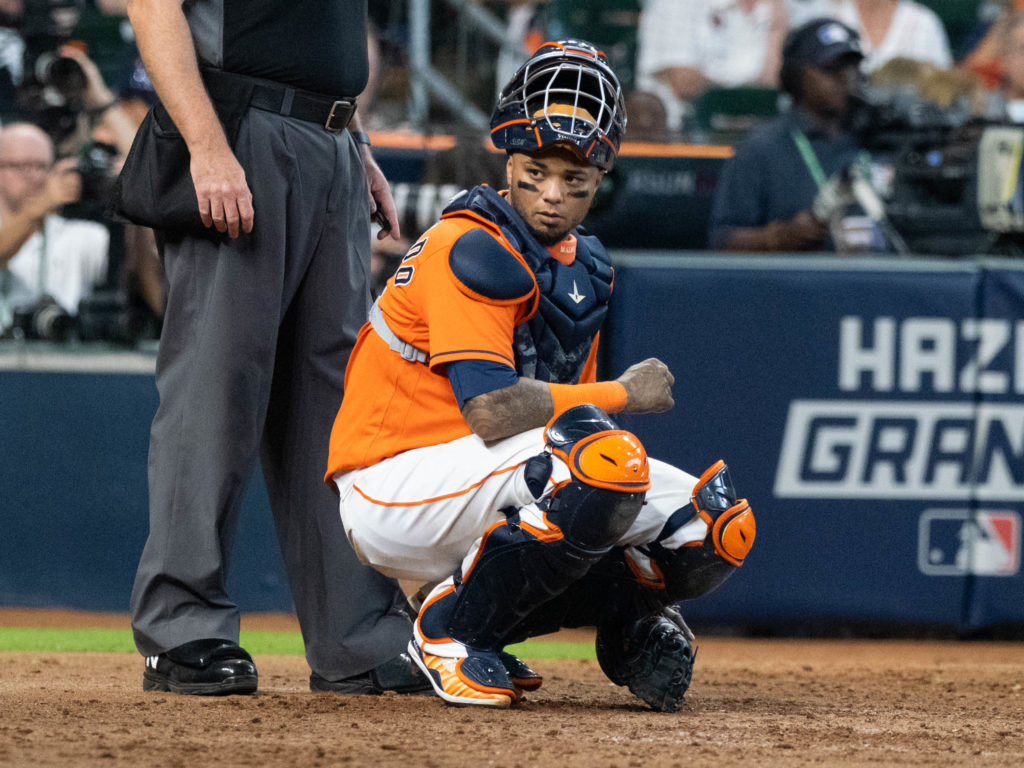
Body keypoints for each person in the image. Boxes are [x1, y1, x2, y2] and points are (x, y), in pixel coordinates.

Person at [323, 40, 757, 711]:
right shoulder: (470, 245)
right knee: (599, 459)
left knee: (713, 525)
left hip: (486, 478)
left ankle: (623, 627)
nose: (553, 195)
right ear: (509, 159)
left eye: (574, 181)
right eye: (536, 172)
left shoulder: (582, 265)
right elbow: (492, 410)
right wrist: (621, 393)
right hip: (396, 478)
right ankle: (450, 632)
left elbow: (561, 426)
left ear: (600, 178)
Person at [125, 0, 429, 697]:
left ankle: (357, 640)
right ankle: (182, 631)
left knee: (334, 407)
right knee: (216, 391)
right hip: (239, 132)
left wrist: (357, 144)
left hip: (329, 139)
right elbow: (153, 8)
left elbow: (316, 39)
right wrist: (204, 146)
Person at [708, 17, 890, 253]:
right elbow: (722, 242)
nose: (846, 78)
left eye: (853, 66)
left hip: (883, 282)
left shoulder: (882, 138)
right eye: (831, 69)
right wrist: (778, 238)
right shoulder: (760, 148)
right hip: (800, 286)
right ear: (795, 76)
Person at [0, 121, 108, 336]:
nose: (32, 176)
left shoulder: (82, 235)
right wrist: (37, 209)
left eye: (41, 166)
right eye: (21, 166)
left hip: (66, 356)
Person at [634, 0, 788, 131]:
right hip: (679, 142)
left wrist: (777, 28)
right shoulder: (676, 3)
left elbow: (782, 83)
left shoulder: (782, 7)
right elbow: (684, 83)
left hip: (757, 140)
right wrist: (758, 88)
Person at [786, 0, 952, 73]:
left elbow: (942, 93)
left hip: (906, 137)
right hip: (833, 138)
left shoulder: (925, 23)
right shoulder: (820, 13)